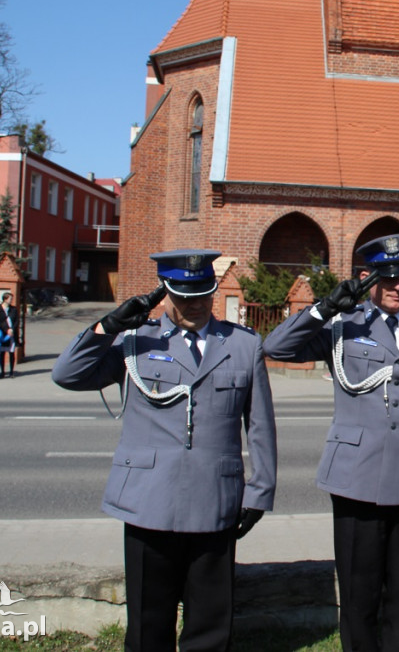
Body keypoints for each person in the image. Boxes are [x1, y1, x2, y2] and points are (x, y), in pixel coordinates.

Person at [51, 249, 277, 652]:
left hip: (216, 501)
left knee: (211, 624)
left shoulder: (242, 345)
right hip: (147, 500)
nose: (194, 304)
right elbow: (67, 374)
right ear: (166, 293)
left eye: (203, 294)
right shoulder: (135, 340)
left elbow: (259, 426)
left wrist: (259, 492)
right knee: (147, 623)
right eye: (183, 295)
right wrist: (109, 325)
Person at [263, 234, 399, 651]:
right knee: (358, 594)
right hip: (357, 477)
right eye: (386, 277)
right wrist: (325, 307)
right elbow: (276, 346)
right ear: (368, 278)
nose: (396, 286)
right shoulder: (344, 325)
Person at [0, 292, 20, 377]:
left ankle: (11, 371)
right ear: (5, 299)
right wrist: (6, 330)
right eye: (10, 299)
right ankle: (2, 371)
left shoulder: (13, 309)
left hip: (12, 334)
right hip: (2, 333)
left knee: (11, 352)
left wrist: (12, 330)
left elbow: (16, 321)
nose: (11, 300)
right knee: (2, 353)